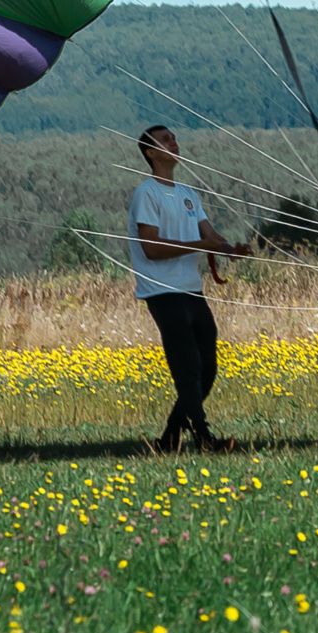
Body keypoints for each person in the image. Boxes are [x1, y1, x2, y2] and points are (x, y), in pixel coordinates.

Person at [129, 125, 241, 454]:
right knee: (187, 366)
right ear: (151, 153)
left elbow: (211, 235)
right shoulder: (146, 194)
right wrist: (201, 244)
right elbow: (150, 247)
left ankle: (168, 441)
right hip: (162, 292)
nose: (174, 142)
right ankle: (203, 438)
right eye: (166, 139)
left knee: (207, 367)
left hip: (192, 290)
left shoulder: (188, 194)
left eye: (174, 137)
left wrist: (230, 249)